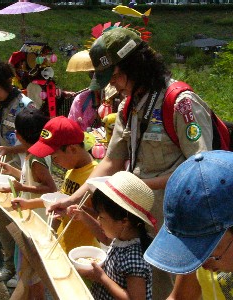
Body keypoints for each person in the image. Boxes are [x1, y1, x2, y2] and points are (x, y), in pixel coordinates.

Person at [48, 27, 214, 299]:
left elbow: (201, 169)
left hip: (177, 222)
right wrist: (73, 199)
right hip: (141, 218)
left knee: (181, 288)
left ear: (136, 65)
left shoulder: (180, 103)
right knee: (154, 283)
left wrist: (137, 185)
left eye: (115, 76)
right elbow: (112, 161)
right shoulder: (129, 106)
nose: (114, 86)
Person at [143, 150, 233, 300]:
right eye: (193, 250)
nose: (201, 264)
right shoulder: (199, 256)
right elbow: (180, 297)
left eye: (208, 250)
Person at [0, 59, 36, 283]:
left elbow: (35, 144)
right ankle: (10, 265)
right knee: (2, 219)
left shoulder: (26, 107)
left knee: (15, 221)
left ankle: (18, 271)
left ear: (8, 82)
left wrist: (9, 149)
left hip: (18, 172)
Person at [69, 171, 155, 299]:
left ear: (124, 222)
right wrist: (82, 215)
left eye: (102, 217)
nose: (98, 220)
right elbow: (104, 237)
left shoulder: (135, 257)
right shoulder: (123, 238)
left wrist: (102, 277)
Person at [0, 107, 57, 293]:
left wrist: (21, 188)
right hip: (29, 218)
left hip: (36, 221)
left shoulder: (36, 159)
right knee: (29, 271)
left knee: (32, 273)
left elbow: (50, 189)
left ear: (19, 135)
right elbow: (29, 177)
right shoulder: (33, 154)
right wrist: (12, 170)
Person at [27, 116, 101, 254]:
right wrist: (50, 234)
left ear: (72, 149)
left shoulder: (96, 177)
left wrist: (79, 210)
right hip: (62, 247)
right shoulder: (70, 172)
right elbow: (60, 209)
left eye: (55, 157)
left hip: (83, 255)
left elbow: (105, 224)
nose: (55, 163)